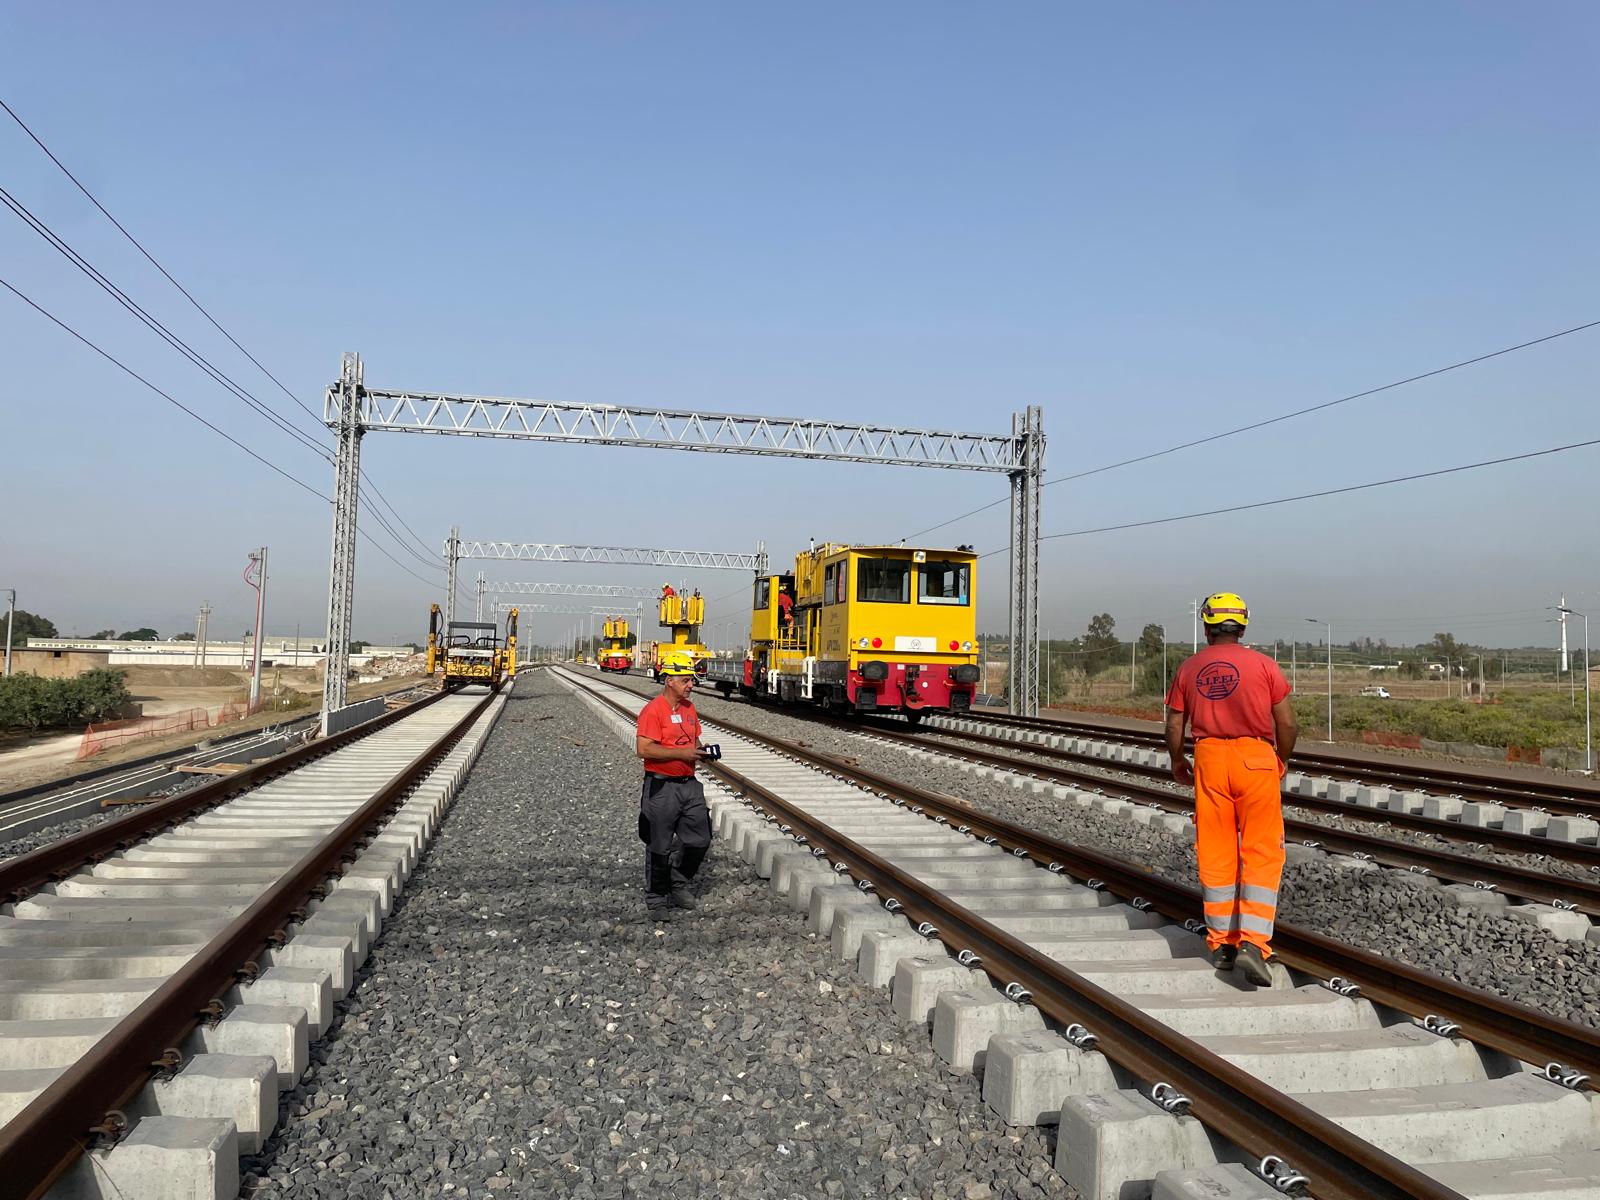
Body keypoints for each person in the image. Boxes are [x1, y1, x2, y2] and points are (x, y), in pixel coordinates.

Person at [1164, 591, 1297, 985]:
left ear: (1206, 625)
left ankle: (1222, 944)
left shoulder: (1189, 668)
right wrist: (1281, 759)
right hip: (1256, 757)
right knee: (1260, 848)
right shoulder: (1265, 665)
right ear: (1242, 625)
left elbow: (1174, 725)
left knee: (1217, 850)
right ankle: (1253, 944)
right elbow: (1287, 724)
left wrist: (1177, 759)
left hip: (1209, 758)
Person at [634, 650, 713, 920]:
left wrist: (702, 752)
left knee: (700, 838)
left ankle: (677, 881)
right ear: (669, 680)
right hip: (661, 787)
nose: (690, 685)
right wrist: (682, 754)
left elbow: (694, 741)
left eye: (691, 680)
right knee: (659, 844)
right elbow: (643, 749)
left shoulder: (690, 709)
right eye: (684, 680)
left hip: (689, 784)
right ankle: (656, 898)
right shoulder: (652, 711)